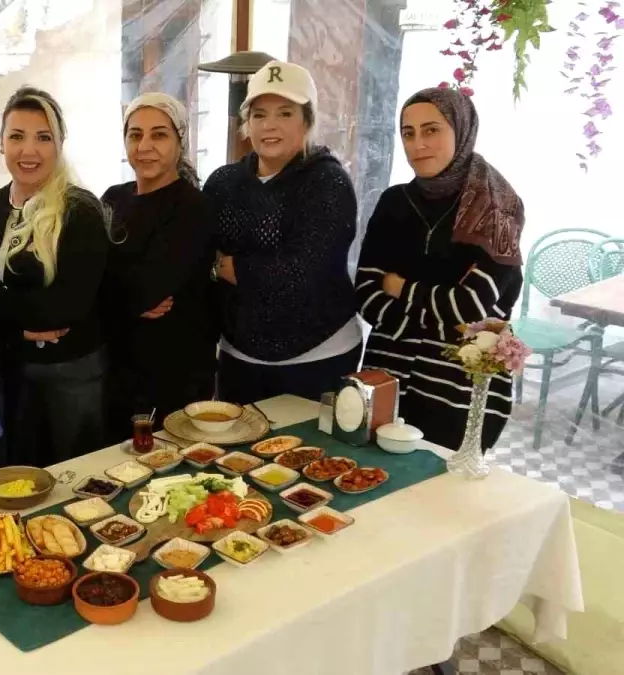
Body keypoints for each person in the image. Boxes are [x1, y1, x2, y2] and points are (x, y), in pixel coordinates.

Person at [357, 87, 524, 452]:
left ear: (461, 131)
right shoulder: (394, 203)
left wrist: (400, 288)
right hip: (388, 377)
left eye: (431, 130)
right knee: (372, 475)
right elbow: (366, 294)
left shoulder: (496, 210)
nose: (418, 144)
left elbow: (470, 307)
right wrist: (441, 314)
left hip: (458, 385)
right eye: (408, 133)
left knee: (444, 480)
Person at [0, 86, 109, 465]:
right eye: (17, 136)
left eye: (43, 137)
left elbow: (66, 306)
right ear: (1, 143)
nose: (29, 150)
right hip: (3, 372)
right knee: (12, 475)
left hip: (71, 374)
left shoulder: (81, 210)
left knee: (76, 476)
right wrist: (16, 329)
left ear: (59, 145)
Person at [204, 61, 362, 404]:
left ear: (307, 120)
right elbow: (199, 255)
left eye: (285, 113)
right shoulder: (222, 183)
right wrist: (220, 268)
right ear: (247, 123)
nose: (269, 125)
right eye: (259, 114)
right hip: (238, 356)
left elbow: (302, 274)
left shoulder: (328, 182)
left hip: (319, 356)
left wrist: (233, 267)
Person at [99, 92, 216, 438]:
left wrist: (108, 289)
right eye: (135, 134)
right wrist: (122, 296)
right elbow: (86, 278)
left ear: (180, 143)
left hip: (175, 372)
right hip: (116, 367)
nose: (145, 146)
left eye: (159, 134)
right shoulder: (113, 198)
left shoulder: (193, 206)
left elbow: (150, 288)